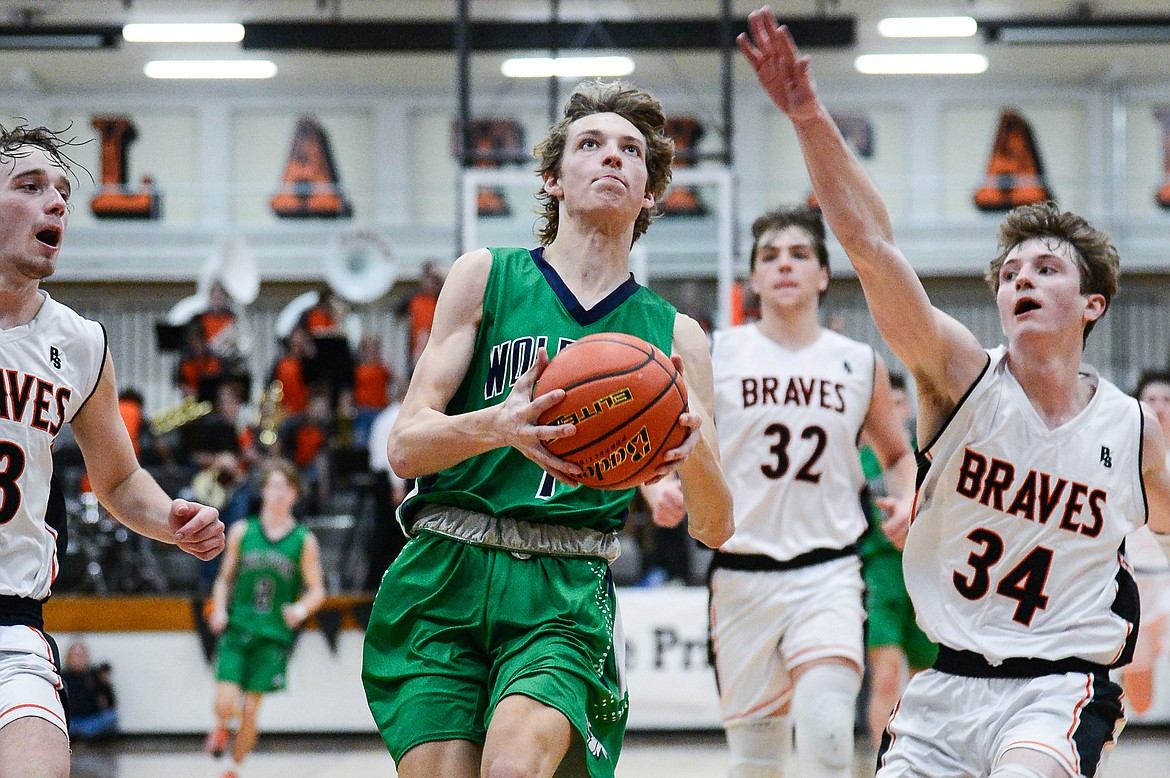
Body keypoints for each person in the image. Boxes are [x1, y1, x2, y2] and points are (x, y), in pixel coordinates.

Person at [739, 8, 1170, 778]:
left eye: (1045, 269)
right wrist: (807, 115)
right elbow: (872, 251)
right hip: (947, 684)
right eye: (1010, 274)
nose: (1021, 281)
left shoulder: (1131, 427)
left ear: (1094, 304)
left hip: (1062, 685)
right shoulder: (961, 376)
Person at [362, 79, 734, 778]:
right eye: (590, 145)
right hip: (444, 567)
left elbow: (716, 527)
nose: (611, 159)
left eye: (630, 151)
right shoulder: (484, 279)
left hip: (562, 585)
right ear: (552, 179)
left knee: (512, 770)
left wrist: (695, 454)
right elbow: (404, 444)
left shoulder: (677, 339)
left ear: (651, 193)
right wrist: (498, 425)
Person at [0, 124, 225, 778]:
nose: (58, 203)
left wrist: (171, 521)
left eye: (63, 191)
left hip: (14, 625)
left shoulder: (79, 343)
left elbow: (120, 479)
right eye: (31, 186)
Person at [706, 204, 916, 778]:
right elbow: (678, 444)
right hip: (741, 574)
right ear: (753, 278)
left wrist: (908, 496)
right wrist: (662, 488)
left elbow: (898, 455)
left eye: (800, 255)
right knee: (755, 763)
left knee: (825, 736)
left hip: (828, 573)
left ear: (823, 274)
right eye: (769, 257)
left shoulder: (857, 362)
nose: (784, 266)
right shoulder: (717, 353)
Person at [205, 457, 326, 778]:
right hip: (238, 627)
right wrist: (219, 608)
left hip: (272, 635)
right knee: (225, 702)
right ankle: (220, 726)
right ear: (264, 491)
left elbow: (318, 591)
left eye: (286, 487)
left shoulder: (304, 540)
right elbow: (223, 579)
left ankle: (234, 767)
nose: (279, 493)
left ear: (295, 495)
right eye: (274, 486)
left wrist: (299, 609)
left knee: (250, 710)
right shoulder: (243, 531)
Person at [857, 372, 937, 746]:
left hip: (924, 573)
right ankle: (881, 762)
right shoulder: (859, 458)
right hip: (881, 571)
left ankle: (925, 761)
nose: (893, 409)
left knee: (927, 680)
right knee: (887, 675)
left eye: (899, 402)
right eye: (886, 403)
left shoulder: (931, 453)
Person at [1120, 370, 1170, 714]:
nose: (1160, 407)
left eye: (1167, 400)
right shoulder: (1121, 455)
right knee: (1141, 700)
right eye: (1151, 399)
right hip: (1137, 583)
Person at [60, 640, 118, 741]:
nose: (78, 660)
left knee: (111, 717)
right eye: (74, 656)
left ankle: (81, 735)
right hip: (71, 720)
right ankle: (80, 735)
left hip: (90, 720)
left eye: (81, 656)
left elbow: (110, 704)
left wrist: (105, 684)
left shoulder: (94, 676)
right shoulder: (62, 677)